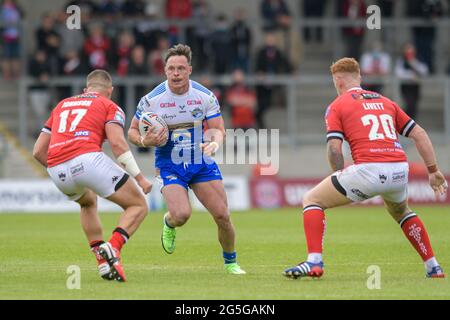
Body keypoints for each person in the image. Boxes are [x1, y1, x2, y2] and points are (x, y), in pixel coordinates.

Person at [284, 58, 447, 279]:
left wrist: (339, 174)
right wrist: (433, 170)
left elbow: (334, 149)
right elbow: (419, 133)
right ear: (359, 77)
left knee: (312, 200)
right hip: (399, 169)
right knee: (401, 211)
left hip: (369, 170)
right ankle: (433, 266)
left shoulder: (337, 105)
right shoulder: (386, 102)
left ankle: (314, 262)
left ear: (338, 81)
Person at [128, 44, 246, 275]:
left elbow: (218, 129)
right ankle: (169, 222)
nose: (176, 73)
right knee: (182, 215)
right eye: (171, 68)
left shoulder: (204, 96)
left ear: (189, 70)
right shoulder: (152, 100)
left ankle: (231, 262)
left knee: (222, 215)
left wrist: (214, 142)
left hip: (200, 161)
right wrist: (145, 141)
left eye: (181, 68)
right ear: (164, 71)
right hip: (169, 164)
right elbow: (131, 131)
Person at [33, 70, 152, 282]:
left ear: (86, 90)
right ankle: (114, 247)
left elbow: (38, 151)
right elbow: (117, 143)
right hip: (87, 160)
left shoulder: (62, 105)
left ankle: (102, 264)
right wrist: (140, 178)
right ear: (110, 91)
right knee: (138, 205)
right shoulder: (109, 106)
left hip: (56, 167)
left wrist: (59, 168)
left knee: (88, 203)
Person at [395, 43, 429, 120]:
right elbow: (399, 73)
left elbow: (424, 71)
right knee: (409, 104)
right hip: (406, 86)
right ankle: (407, 120)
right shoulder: (401, 60)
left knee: (414, 105)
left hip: (415, 86)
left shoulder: (418, 59)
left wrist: (413, 63)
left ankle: (412, 121)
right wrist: (410, 75)